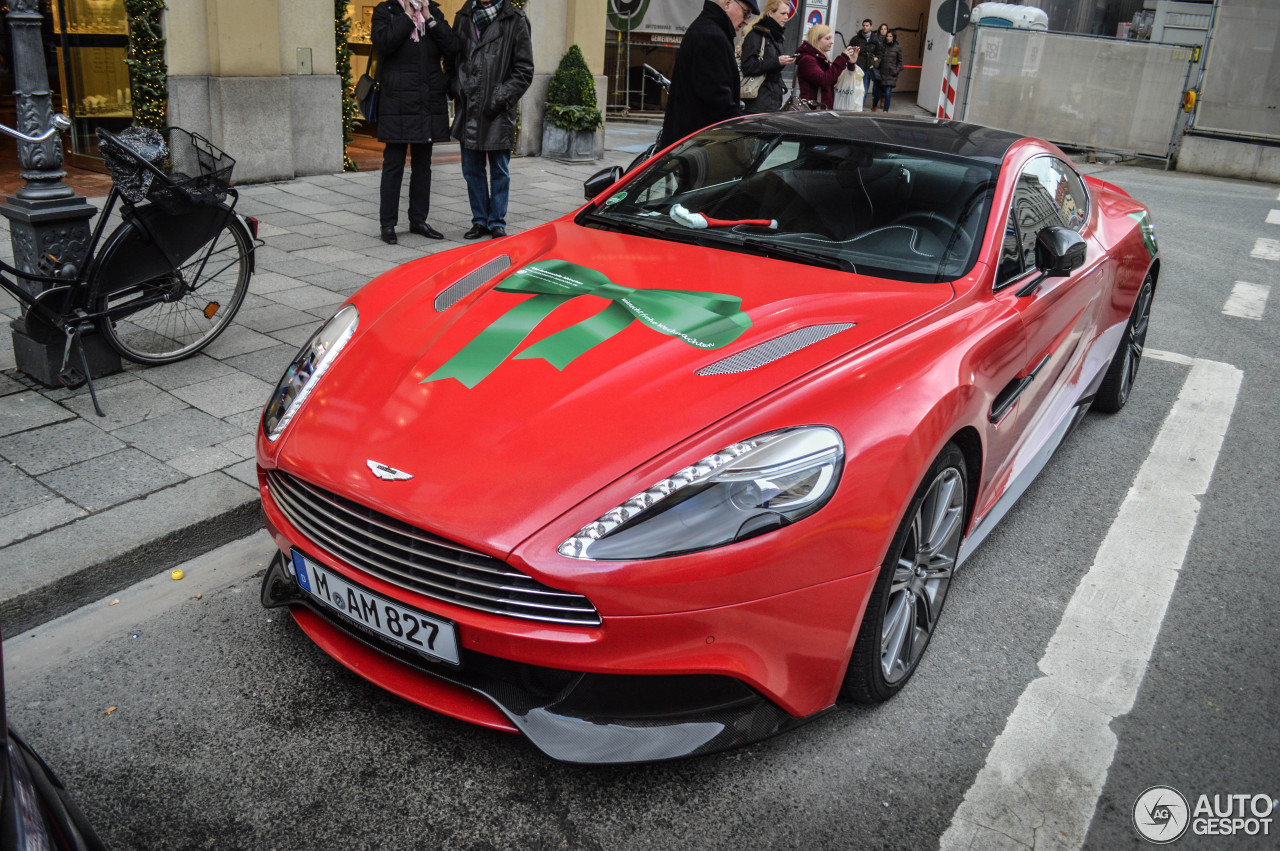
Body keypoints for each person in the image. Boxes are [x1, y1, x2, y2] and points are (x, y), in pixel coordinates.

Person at [371, 0, 459, 245]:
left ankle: (418, 220)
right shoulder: (385, 11)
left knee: (423, 166)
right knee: (393, 165)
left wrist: (429, 16)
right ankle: (387, 224)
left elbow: (452, 47)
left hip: (427, 102)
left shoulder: (435, 14)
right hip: (396, 102)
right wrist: (408, 16)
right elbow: (383, 44)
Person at [446, 0, 534, 240]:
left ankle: (497, 221)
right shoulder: (463, 16)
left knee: (499, 170)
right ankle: (480, 220)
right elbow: (452, 60)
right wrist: (457, 87)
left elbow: (524, 69)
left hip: (496, 110)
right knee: (471, 169)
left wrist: (499, 97)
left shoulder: (515, 20)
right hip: (468, 107)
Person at [657, 0, 759, 149]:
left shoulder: (708, 30)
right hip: (697, 148)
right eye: (746, 13)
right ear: (727, 3)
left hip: (691, 145)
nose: (747, 20)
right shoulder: (711, 36)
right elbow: (718, 102)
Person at [740, 0, 796, 114]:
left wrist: (781, 62)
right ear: (770, 12)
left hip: (772, 99)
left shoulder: (777, 36)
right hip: (757, 101)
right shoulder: (756, 34)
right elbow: (748, 66)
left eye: (787, 14)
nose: (786, 17)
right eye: (782, 13)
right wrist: (777, 61)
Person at [796, 24, 857, 110]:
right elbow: (823, 80)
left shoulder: (820, 58)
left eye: (831, 38)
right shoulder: (808, 60)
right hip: (812, 111)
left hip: (821, 108)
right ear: (816, 39)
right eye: (827, 39)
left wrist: (851, 64)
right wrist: (842, 59)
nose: (832, 42)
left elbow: (834, 79)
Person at [849, 18, 880, 108]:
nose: (865, 27)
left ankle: (860, 108)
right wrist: (852, 62)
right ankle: (852, 106)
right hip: (857, 66)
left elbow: (880, 54)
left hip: (867, 68)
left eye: (867, 26)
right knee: (854, 89)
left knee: (864, 90)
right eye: (863, 25)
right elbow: (849, 50)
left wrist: (875, 63)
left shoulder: (875, 40)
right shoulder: (856, 39)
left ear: (871, 27)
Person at [872, 29, 903, 112]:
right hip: (881, 73)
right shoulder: (882, 46)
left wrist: (896, 71)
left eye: (890, 36)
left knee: (888, 94)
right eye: (887, 36)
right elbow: (878, 56)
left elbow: (900, 62)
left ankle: (885, 110)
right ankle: (874, 105)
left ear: (894, 37)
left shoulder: (897, 47)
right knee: (877, 94)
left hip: (891, 75)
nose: (888, 38)